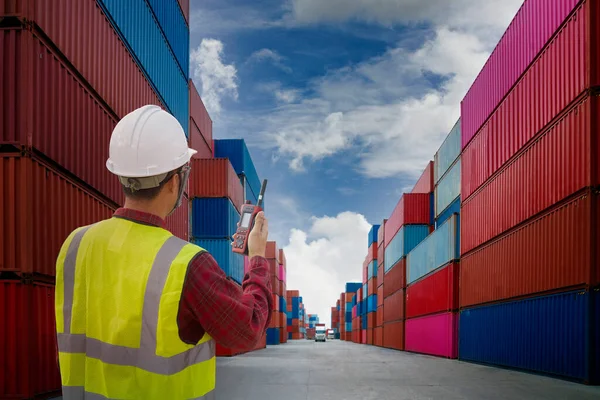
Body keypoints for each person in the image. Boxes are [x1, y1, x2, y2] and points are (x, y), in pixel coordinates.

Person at [55, 105, 273, 400]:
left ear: (120, 174)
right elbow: (247, 330)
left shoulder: (74, 245)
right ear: (175, 180)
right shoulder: (187, 264)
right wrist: (257, 258)